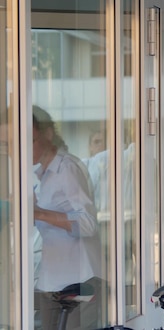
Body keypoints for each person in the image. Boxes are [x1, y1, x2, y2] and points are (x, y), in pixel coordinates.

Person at [32, 106, 103, 330]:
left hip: (78, 280)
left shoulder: (68, 168)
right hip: (50, 280)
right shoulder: (38, 174)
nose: (21, 148)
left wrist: (39, 213)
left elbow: (88, 223)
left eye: (30, 140)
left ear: (48, 135)